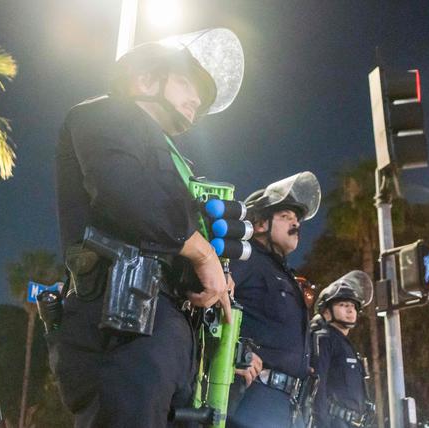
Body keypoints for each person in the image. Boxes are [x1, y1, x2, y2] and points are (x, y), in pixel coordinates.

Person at [49, 28, 247, 427]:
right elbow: (125, 193)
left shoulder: (172, 155)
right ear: (145, 79)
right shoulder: (104, 112)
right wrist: (203, 253)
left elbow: (162, 232)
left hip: (163, 331)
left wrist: (209, 277)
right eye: (189, 83)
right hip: (121, 326)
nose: (197, 101)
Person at [226, 172, 321, 428]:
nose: (296, 224)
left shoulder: (284, 274)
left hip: (288, 407)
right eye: (285, 216)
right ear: (259, 224)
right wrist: (236, 350)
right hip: (255, 402)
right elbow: (210, 300)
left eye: (297, 219)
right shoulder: (244, 258)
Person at [310, 271, 375, 428]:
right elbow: (317, 387)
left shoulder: (346, 345)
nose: (350, 310)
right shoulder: (324, 339)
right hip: (334, 423)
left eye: (353, 306)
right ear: (326, 311)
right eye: (343, 305)